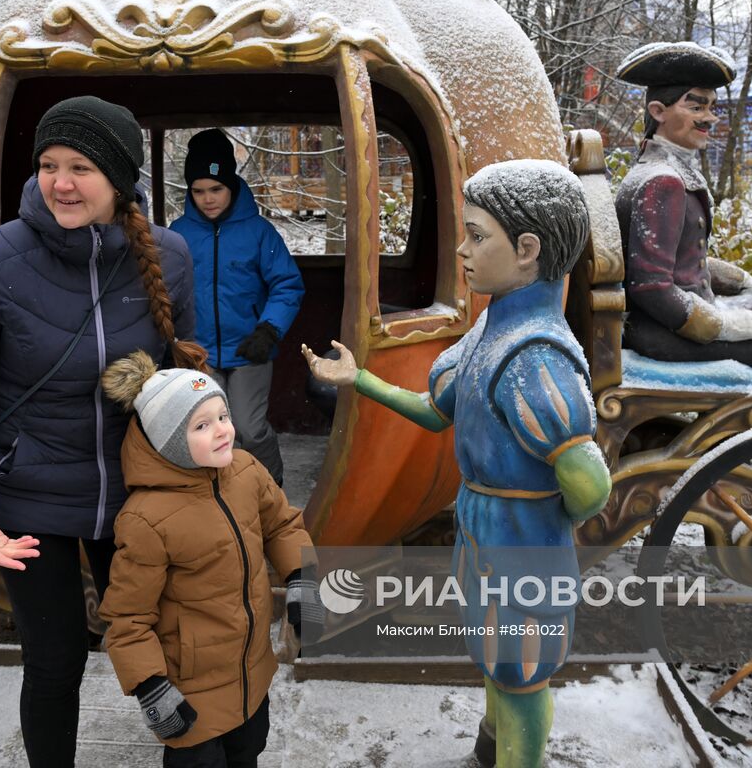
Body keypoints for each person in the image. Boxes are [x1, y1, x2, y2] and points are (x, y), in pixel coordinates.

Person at [0, 97, 205, 768]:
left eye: (81, 166)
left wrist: (202, 466)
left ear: (121, 177)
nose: (60, 182)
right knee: (55, 658)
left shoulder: (171, 257)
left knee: (167, 642)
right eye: (48, 164)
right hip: (28, 498)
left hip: (134, 497)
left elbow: (184, 376)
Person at [304, 159, 612, 768]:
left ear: (528, 249)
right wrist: (359, 378)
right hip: (487, 530)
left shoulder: (536, 358)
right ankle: (490, 750)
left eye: (477, 236)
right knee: (499, 660)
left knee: (523, 673)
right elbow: (435, 410)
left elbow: (590, 484)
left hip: (521, 543)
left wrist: (539, 523)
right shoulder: (490, 334)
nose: (464, 251)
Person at [614, 42, 752, 493]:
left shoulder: (661, 170)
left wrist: (745, 282)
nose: (710, 118)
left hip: (668, 319)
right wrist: (719, 326)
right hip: (663, 334)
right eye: (695, 105)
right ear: (658, 110)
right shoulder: (663, 182)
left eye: (712, 106)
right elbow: (652, 286)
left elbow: (684, 257)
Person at [97, 351, 319, 767]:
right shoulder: (146, 518)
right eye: (202, 425)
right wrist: (151, 688)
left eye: (223, 416)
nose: (222, 431)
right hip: (190, 689)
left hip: (251, 670)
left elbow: (283, 527)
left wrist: (300, 577)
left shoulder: (247, 471)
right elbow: (128, 618)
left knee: (250, 749)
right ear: (170, 441)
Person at [169, 130, 303, 486]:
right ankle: (217, 497)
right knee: (205, 431)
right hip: (201, 353)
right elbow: (164, 290)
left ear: (231, 185)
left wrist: (269, 329)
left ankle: (271, 489)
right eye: (198, 191)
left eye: (216, 189)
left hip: (250, 350)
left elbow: (287, 285)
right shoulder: (178, 234)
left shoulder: (259, 233)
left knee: (248, 427)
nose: (208, 199)